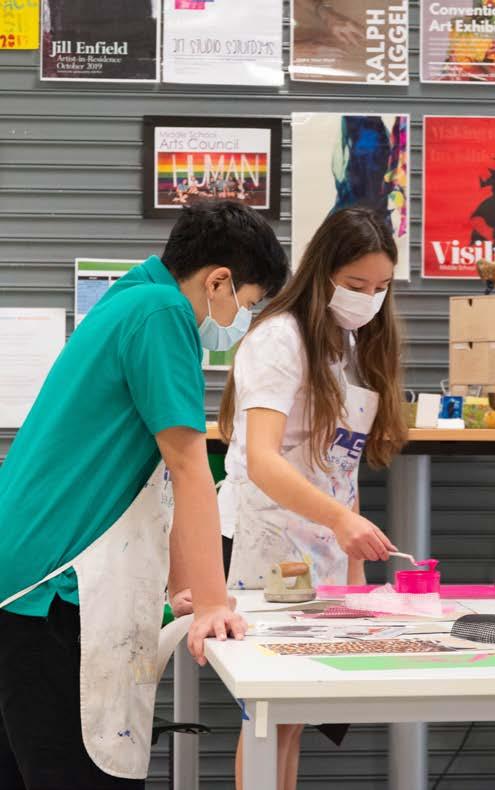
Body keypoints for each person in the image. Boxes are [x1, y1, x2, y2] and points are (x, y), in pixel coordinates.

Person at [0, 200, 289, 789]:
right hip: (51, 592)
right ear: (218, 282)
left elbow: (154, 480)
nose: (242, 321)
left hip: (23, 585)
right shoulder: (162, 314)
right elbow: (189, 468)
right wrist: (212, 603)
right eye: (249, 304)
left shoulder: (130, 297)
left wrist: (183, 588)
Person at [213, 206, 407, 790]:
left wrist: (354, 570)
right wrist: (341, 524)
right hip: (264, 541)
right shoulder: (279, 339)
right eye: (355, 285)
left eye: (380, 288)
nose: (368, 299)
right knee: (268, 713)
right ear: (321, 272)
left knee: (293, 715)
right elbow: (264, 460)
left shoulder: (349, 343)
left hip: (319, 545)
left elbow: (340, 467)